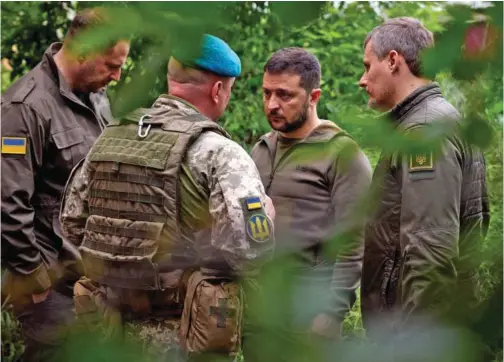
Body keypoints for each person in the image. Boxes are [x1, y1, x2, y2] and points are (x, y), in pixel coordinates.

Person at [58, 34, 275, 360]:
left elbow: (72, 223)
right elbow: (249, 249)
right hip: (181, 336)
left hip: (106, 330)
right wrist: (266, 218)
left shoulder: (110, 137)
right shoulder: (220, 153)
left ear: (171, 81)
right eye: (228, 91)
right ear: (217, 91)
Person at [1, 7, 130, 362]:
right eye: (111, 66)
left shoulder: (97, 96)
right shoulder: (25, 107)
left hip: (93, 282)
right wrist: (36, 283)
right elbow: (8, 204)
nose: (117, 76)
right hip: (53, 288)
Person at [358, 17, 490, 339]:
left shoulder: (424, 130)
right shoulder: (433, 121)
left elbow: (430, 252)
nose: (362, 80)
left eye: (367, 66)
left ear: (392, 61)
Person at [250, 47, 372, 346]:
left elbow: (355, 242)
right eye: (266, 93)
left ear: (313, 97)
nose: (272, 104)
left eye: (285, 95)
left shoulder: (342, 154)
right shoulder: (261, 149)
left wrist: (331, 313)